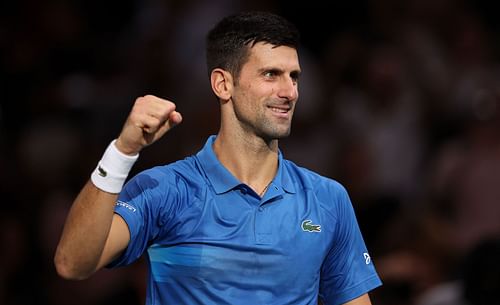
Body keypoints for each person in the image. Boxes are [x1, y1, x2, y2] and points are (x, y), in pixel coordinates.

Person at [54, 11, 382, 305]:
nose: (290, 92)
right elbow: (73, 263)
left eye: (293, 76)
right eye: (271, 74)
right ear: (223, 84)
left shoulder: (328, 198)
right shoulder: (166, 189)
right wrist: (121, 153)